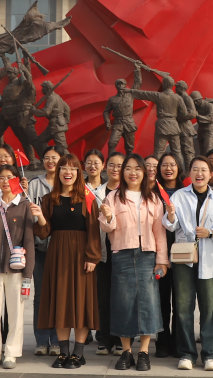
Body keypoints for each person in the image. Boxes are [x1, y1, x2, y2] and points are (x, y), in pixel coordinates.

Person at [30, 152, 101, 368]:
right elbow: (44, 232)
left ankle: (78, 353)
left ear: (78, 173)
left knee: (81, 303)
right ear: (58, 171)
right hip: (57, 255)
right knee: (60, 302)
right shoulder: (49, 199)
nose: (67, 172)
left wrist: (92, 257)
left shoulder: (87, 198)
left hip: (81, 256)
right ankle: (63, 352)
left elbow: (93, 231)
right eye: (64, 168)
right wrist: (40, 217)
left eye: (72, 168)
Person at [98, 153, 168, 372]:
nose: (133, 173)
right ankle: (126, 351)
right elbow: (107, 228)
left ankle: (144, 352)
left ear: (144, 172)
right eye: (128, 168)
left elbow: (159, 232)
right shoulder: (113, 197)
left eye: (137, 168)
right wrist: (108, 216)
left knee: (148, 303)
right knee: (123, 303)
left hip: (147, 254)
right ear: (122, 172)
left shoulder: (153, 198)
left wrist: (162, 260)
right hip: (122, 254)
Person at [162, 156, 213, 371]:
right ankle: (186, 353)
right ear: (189, 173)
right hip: (184, 258)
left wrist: (210, 232)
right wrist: (170, 215)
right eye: (195, 170)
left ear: (211, 174)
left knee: (209, 308)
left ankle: (210, 354)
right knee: (183, 308)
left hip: (209, 259)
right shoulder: (179, 196)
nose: (199, 174)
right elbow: (170, 226)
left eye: (203, 170)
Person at [0, 164, 36, 368]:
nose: (5, 181)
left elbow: (29, 239)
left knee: (16, 313)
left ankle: (11, 352)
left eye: (9, 177)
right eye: (1, 178)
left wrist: (28, 272)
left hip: (16, 267)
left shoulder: (25, 205)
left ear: (17, 180)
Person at [27, 147, 61, 355]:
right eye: (46, 158)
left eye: (54, 158)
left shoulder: (66, 183)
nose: (50, 161)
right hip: (39, 248)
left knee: (59, 294)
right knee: (40, 295)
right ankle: (41, 341)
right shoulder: (34, 184)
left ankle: (57, 340)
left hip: (60, 249)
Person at [95, 151, 125, 356]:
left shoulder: (130, 192)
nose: (115, 169)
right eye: (112, 165)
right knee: (103, 297)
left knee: (122, 297)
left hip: (123, 251)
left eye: (120, 165)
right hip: (103, 252)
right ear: (106, 167)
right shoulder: (97, 192)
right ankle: (104, 338)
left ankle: (122, 338)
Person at [155, 153, 183, 359]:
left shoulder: (186, 191)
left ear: (178, 167)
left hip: (182, 252)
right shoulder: (152, 192)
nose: (168, 168)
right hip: (159, 252)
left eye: (172, 165)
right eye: (164, 165)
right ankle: (162, 342)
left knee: (181, 302)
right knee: (162, 300)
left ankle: (178, 343)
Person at [82, 149, 106, 355]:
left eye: (96, 162)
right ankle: (85, 330)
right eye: (89, 162)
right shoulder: (78, 188)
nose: (92, 166)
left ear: (103, 166)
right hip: (83, 247)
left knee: (102, 293)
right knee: (84, 292)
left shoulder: (109, 189)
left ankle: (102, 332)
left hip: (105, 246)